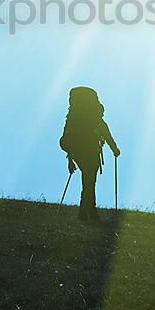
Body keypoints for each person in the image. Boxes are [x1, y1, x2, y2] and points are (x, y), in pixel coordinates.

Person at [59, 86, 120, 222]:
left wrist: (70, 160)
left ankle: (86, 212)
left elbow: (70, 140)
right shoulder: (99, 123)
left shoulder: (75, 121)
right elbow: (109, 139)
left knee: (87, 182)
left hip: (78, 152)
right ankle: (88, 212)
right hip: (91, 153)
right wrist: (115, 150)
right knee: (89, 182)